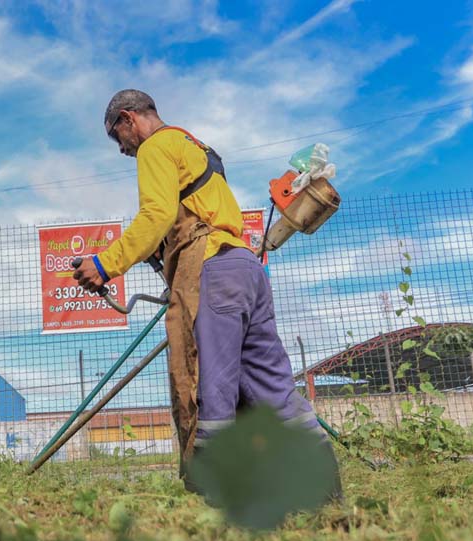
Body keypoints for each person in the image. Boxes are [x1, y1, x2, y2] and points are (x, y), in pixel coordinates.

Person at [73, 89, 341, 495]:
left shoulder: (155, 147)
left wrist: (104, 265)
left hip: (211, 270)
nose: (123, 150)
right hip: (245, 268)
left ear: (128, 119)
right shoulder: (196, 147)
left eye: (118, 138)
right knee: (271, 382)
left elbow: (156, 214)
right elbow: (192, 210)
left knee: (207, 380)